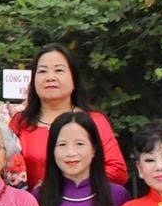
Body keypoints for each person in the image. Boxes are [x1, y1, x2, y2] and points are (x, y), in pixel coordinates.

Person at [11, 45, 127, 188]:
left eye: (59, 70)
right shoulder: (20, 122)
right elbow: (5, 170)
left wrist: (67, 186)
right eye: (42, 71)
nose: (50, 77)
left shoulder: (93, 121)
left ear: (74, 80)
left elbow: (118, 171)